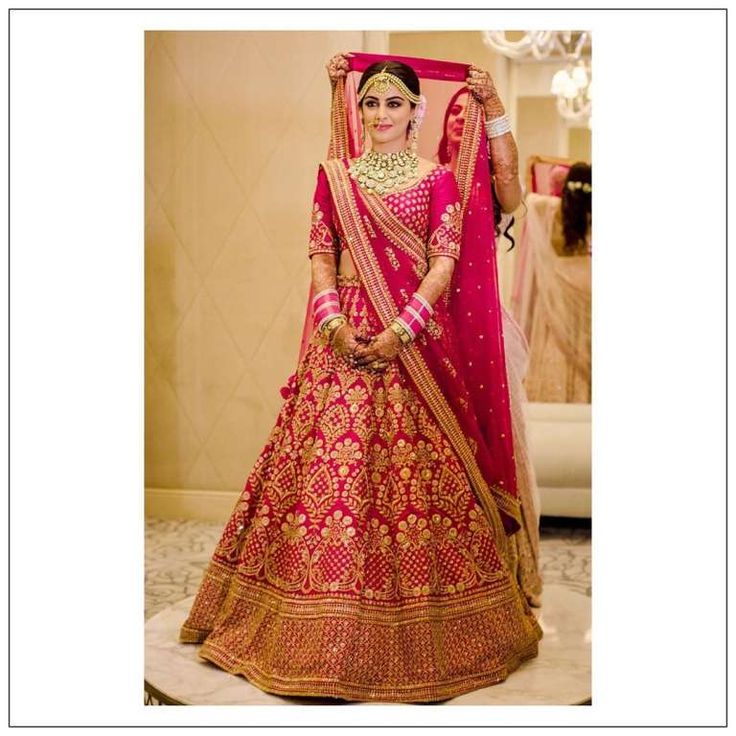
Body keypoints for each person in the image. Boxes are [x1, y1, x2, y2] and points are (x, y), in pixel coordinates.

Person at [178, 53, 542, 704]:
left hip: (412, 345)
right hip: (340, 343)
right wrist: (333, 324)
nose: (380, 114)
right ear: (359, 109)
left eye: (393, 103)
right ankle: (305, 626)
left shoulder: (435, 180)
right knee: (326, 480)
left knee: (412, 485)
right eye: (370, 102)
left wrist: (402, 329)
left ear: (415, 111)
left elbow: (445, 259)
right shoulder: (336, 175)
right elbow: (321, 251)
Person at [524, 163, 591, 403]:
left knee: (557, 336)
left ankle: (556, 389)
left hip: (558, 284)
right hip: (588, 282)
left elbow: (526, 199)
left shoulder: (550, 209)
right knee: (584, 335)